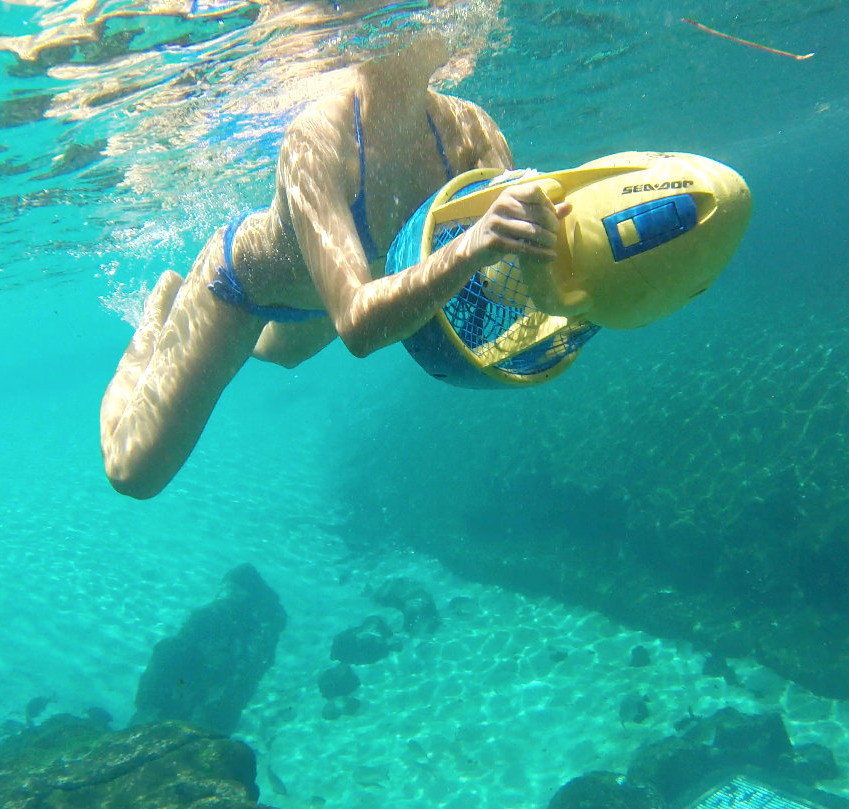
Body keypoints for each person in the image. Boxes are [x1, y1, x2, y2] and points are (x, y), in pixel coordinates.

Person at [99, 6, 588, 500]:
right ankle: (158, 315)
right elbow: (356, 324)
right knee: (133, 473)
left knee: (281, 354)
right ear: (351, 38)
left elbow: (507, 271)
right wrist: (472, 245)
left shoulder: (472, 132)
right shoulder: (314, 140)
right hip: (242, 286)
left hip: (321, 303)